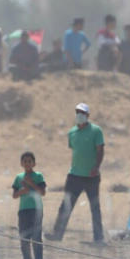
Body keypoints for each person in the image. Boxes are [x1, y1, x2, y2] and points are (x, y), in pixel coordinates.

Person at [47, 103, 105, 244]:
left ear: (88, 116)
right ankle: (57, 234)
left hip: (92, 176)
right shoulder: (72, 132)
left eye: (82, 113)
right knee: (66, 206)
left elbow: (100, 150)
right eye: (77, 112)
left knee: (94, 207)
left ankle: (98, 238)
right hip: (74, 176)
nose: (79, 115)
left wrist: (96, 167)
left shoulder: (96, 131)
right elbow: (74, 150)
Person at [12, 151, 46, 259]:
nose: (27, 163)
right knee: (24, 240)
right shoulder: (18, 177)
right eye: (25, 161)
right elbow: (14, 195)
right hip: (23, 211)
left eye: (29, 161)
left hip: (36, 210)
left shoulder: (38, 176)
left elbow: (42, 192)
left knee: (36, 239)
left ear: (34, 163)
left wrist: (31, 184)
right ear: (21, 163)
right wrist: (22, 191)